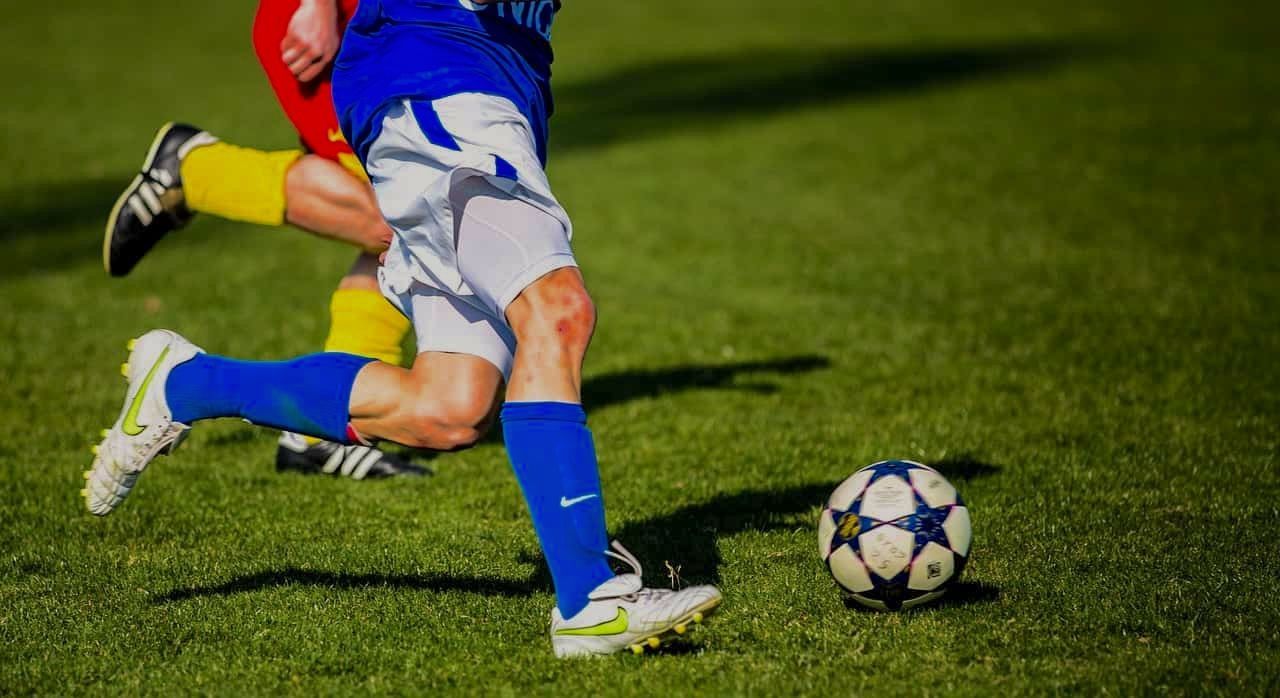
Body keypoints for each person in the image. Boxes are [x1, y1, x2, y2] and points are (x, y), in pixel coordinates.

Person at [83, 0, 722, 657]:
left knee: (449, 409)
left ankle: (185, 384)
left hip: (495, 89)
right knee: (557, 310)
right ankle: (590, 600)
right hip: (439, 74)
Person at [102, 0, 424, 479]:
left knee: (416, 219)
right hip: (328, 22)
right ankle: (197, 171)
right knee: (407, 223)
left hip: (392, 29)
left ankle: (320, 431)